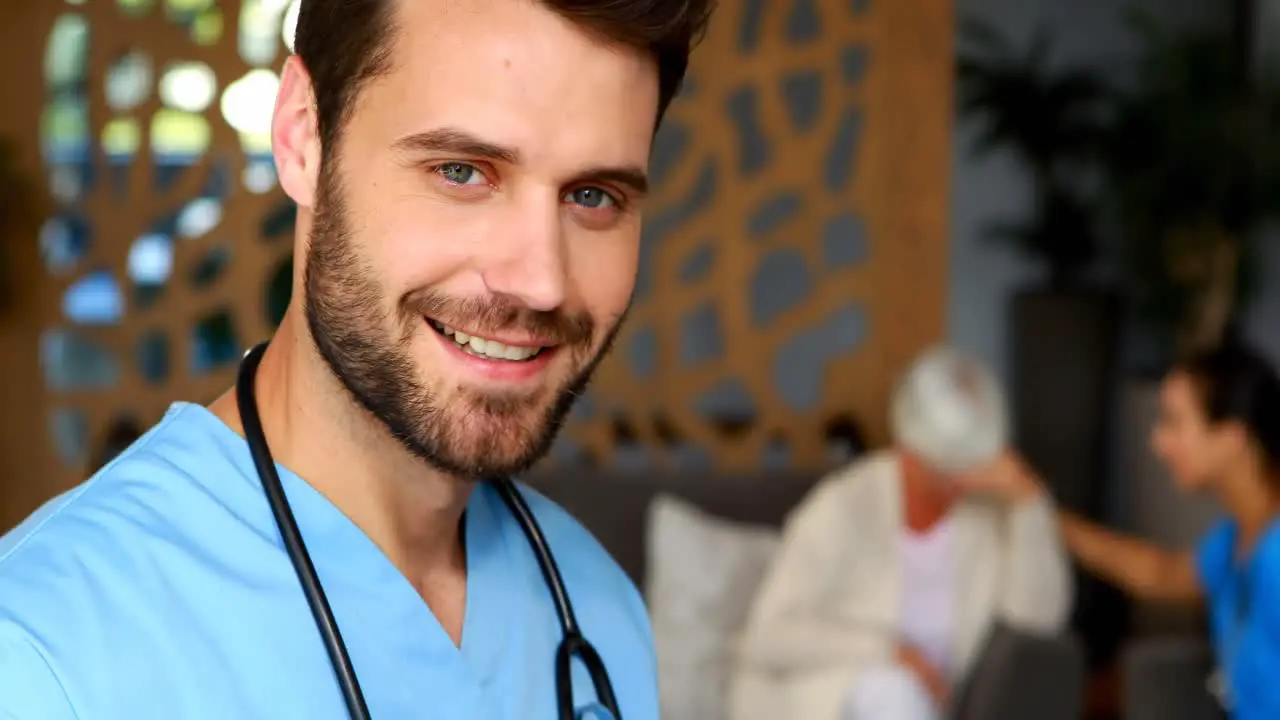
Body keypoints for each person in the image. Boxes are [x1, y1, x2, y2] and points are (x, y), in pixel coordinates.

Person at [0, 0, 713, 716]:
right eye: (462, 172)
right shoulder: (45, 653)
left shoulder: (598, 610)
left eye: (593, 196)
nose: (541, 280)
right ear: (302, 136)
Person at [729, 346, 1073, 720]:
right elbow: (766, 638)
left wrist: (1029, 502)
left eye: (973, 462)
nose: (961, 480)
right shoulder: (845, 505)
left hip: (922, 710)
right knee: (893, 691)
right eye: (947, 464)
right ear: (909, 447)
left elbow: (1038, 621)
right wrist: (892, 653)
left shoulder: (987, 514)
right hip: (821, 701)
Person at [1056, 344, 1280, 719]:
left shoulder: (1275, 555)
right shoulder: (1236, 539)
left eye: (1174, 422)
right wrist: (1043, 513)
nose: (1158, 442)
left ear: (1231, 436)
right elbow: (1157, 573)